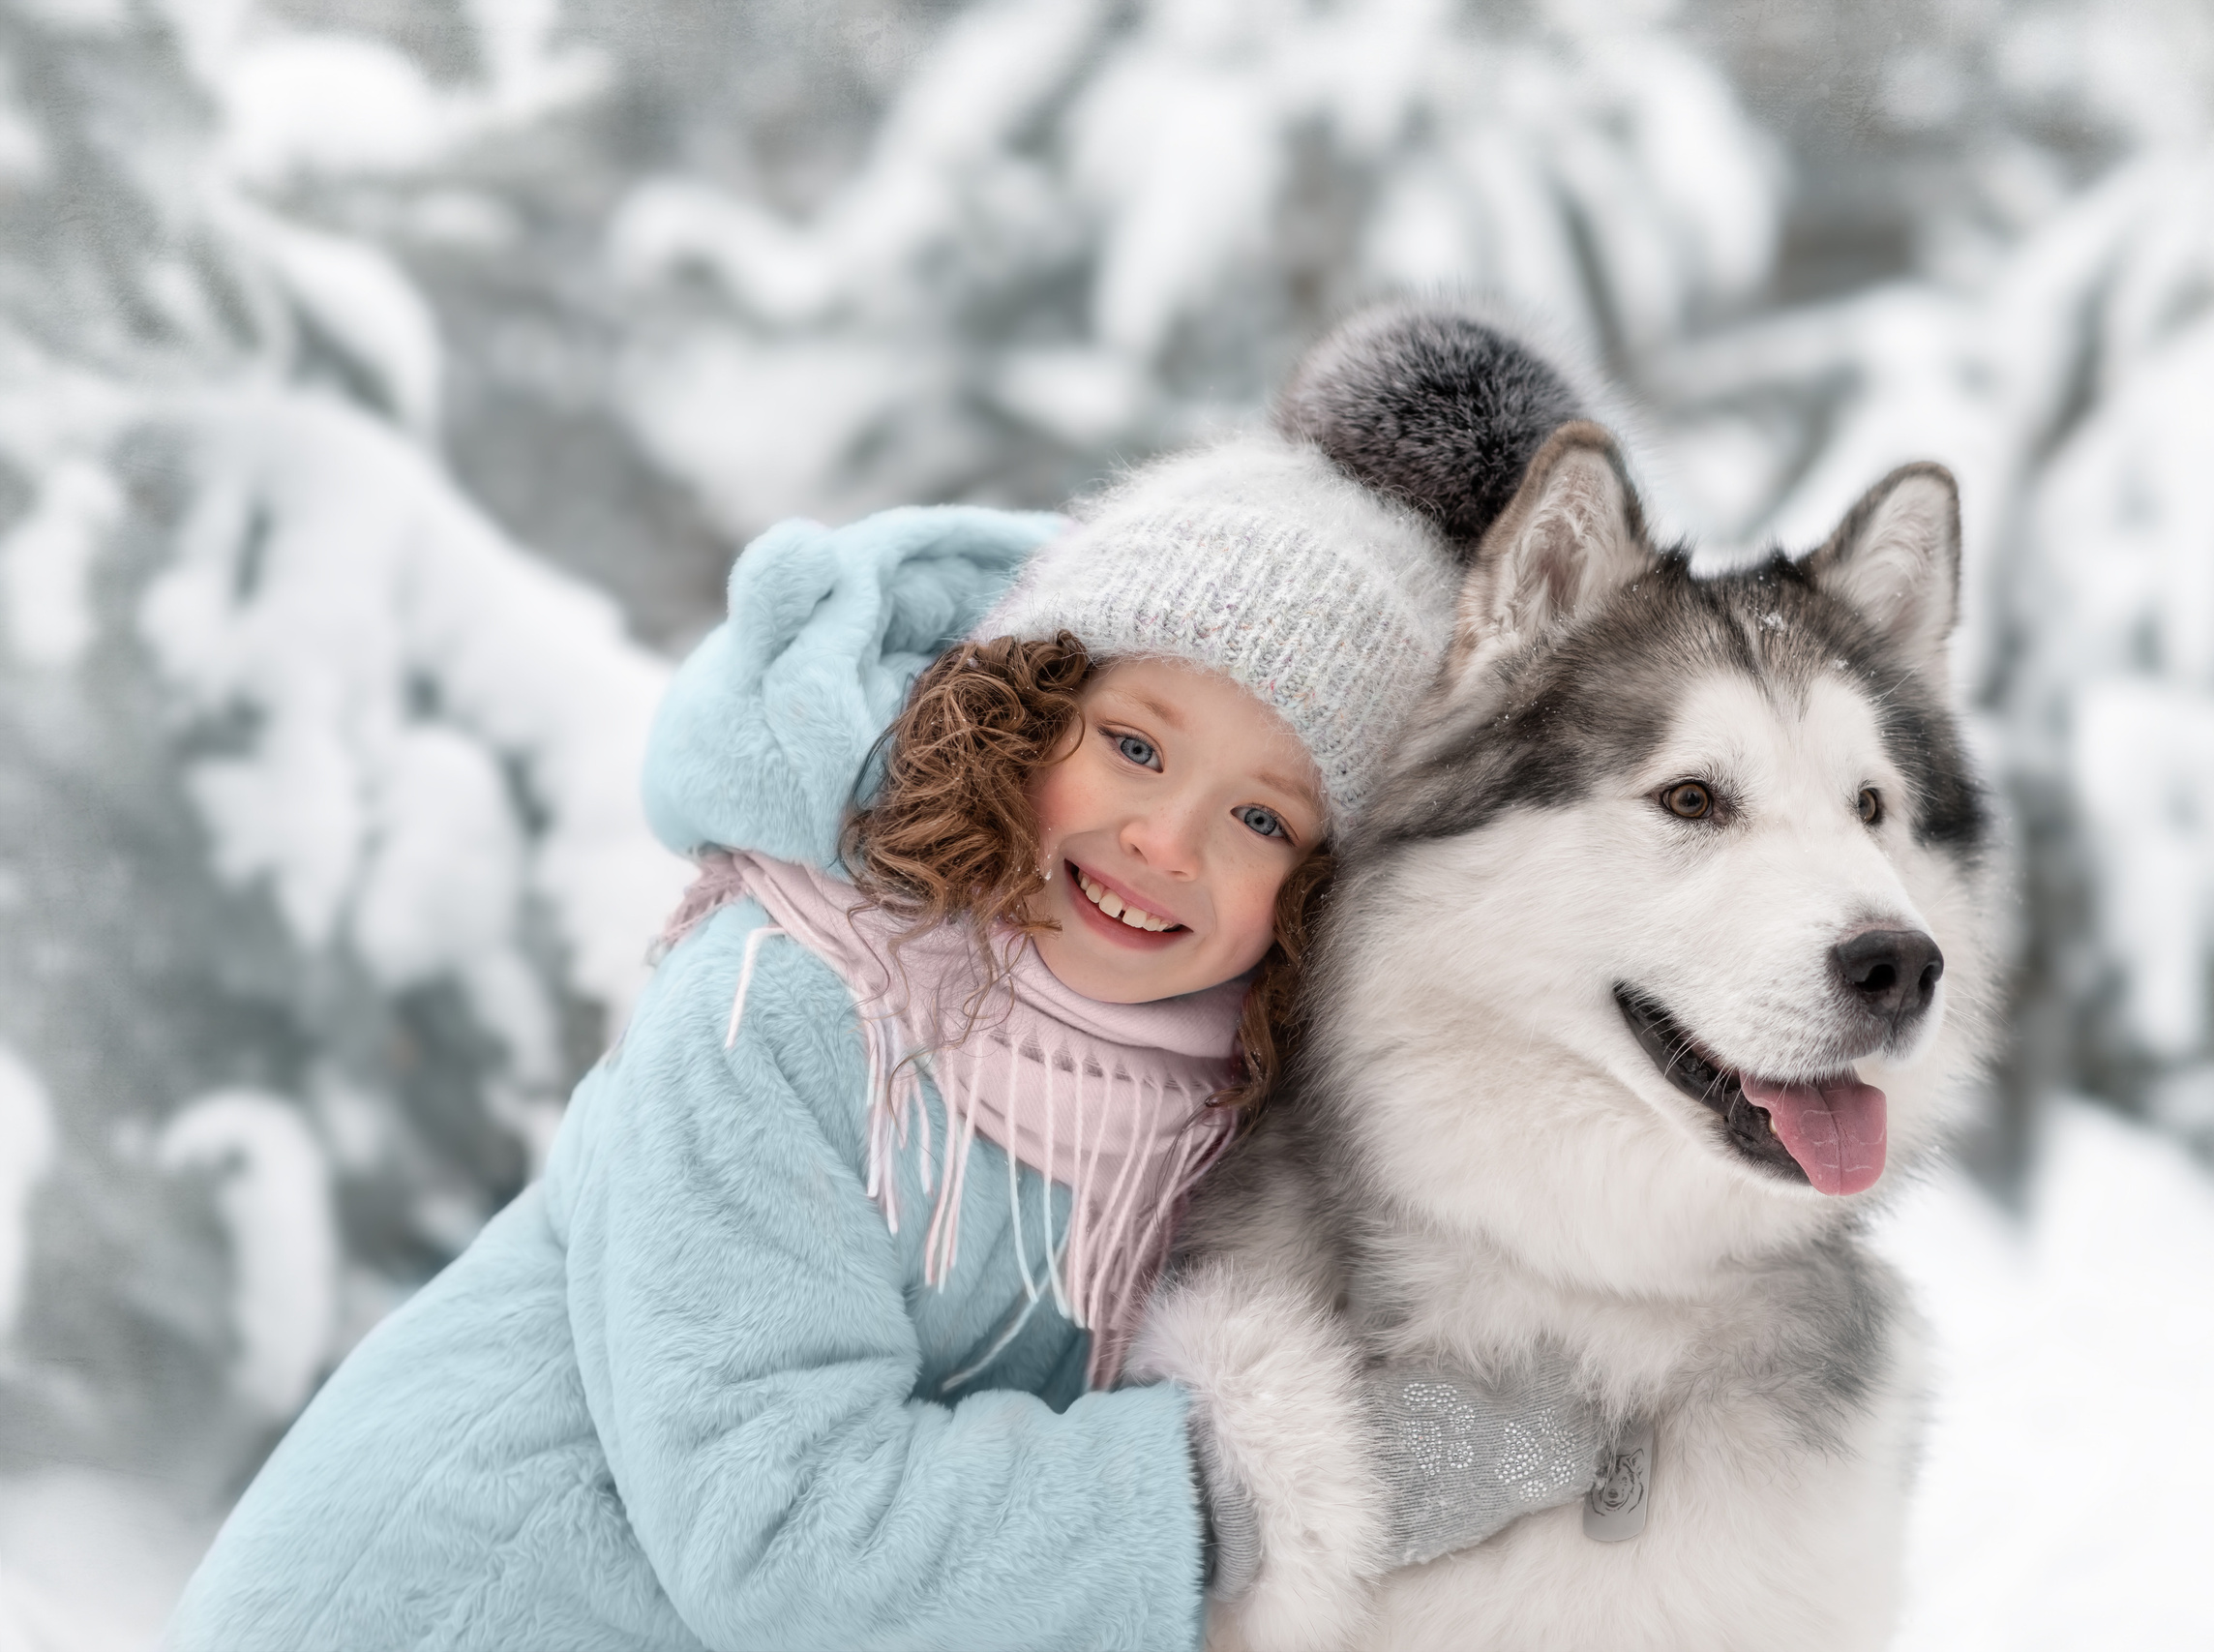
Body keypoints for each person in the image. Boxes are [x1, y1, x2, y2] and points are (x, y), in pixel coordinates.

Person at [164, 422, 1605, 1651]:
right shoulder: (790, 1008)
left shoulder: (1194, 1096)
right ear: (1025, 712)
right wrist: (1286, 1485)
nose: (1166, 840)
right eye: (1135, 746)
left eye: (1261, 818)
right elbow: (779, 1527)